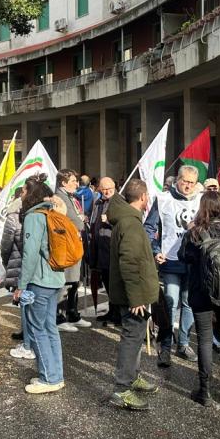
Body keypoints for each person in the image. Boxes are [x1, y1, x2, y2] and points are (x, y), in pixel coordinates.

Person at [181, 191, 220, 408]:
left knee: (205, 341)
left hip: (201, 291)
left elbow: (184, 256)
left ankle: (205, 392)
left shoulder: (196, 232)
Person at [107, 179, 161, 411]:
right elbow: (129, 262)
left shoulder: (129, 220)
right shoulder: (130, 223)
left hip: (135, 291)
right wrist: (136, 298)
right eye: (148, 196)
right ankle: (122, 389)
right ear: (143, 197)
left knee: (136, 337)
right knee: (131, 338)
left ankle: (133, 377)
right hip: (133, 295)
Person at [144, 164, 202, 366]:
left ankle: (184, 343)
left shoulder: (202, 200)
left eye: (192, 183)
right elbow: (149, 227)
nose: (188, 186)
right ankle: (166, 345)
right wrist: (155, 250)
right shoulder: (163, 199)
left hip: (193, 260)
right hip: (170, 259)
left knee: (188, 303)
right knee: (170, 301)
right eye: (185, 181)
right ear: (177, 179)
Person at [14, 178, 67, 394]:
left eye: (25, 190)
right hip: (54, 278)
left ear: (32, 193)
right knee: (50, 328)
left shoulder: (34, 217)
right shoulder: (52, 213)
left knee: (37, 329)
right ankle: (56, 374)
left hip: (39, 280)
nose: (22, 194)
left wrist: (21, 285)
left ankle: (49, 378)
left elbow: (30, 254)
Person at [52, 170, 88, 330]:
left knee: (74, 281)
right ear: (63, 183)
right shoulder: (59, 199)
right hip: (67, 245)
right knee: (65, 282)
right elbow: (60, 222)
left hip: (75, 244)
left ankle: (72, 313)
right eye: (73, 181)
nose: (77, 184)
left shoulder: (69, 197)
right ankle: (58, 317)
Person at [1, 190, 33, 360]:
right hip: (36, 267)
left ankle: (28, 344)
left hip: (19, 263)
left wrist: (7, 262)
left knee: (26, 304)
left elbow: (6, 243)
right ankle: (28, 339)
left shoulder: (14, 215)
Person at [88, 177, 117, 324]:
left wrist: (110, 221)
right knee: (106, 282)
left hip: (112, 249)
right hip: (99, 249)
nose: (106, 191)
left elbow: (125, 224)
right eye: (104, 189)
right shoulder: (98, 202)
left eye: (109, 188)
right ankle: (112, 311)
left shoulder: (119, 202)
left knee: (114, 284)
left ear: (114, 187)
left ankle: (117, 313)